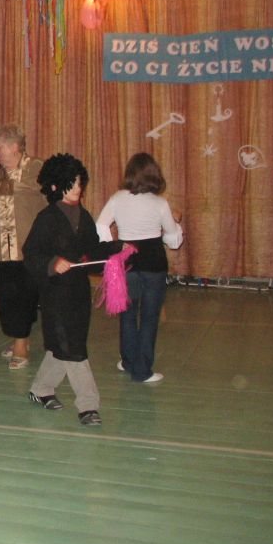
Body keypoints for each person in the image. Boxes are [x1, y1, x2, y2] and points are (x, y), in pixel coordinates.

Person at [24, 154, 122, 427]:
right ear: (56, 186)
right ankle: (88, 406)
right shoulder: (46, 219)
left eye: (80, 182)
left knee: (64, 345)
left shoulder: (84, 217)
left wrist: (118, 249)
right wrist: (53, 263)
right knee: (73, 348)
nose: (79, 188)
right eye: (73, 183)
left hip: (79, 293)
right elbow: (31, 254)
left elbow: (93, 252)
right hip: (55, 294)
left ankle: (41, 389)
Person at [96, 152, 183, 384]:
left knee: (127, 315)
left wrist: (113, 247)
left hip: (127, 263)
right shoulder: (160, 203)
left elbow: (101, 225)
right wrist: (177, 222)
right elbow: (173, 240)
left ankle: (128, 361)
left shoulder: (117, 198)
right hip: (154, 264)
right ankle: (143, 370)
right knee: (149, 317)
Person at [0, 124, 47, 370]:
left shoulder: (36, 169)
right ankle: (18, 337)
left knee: (25, 294)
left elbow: (50, 201)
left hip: (27, 245)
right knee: (6, 296)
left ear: (15, 147)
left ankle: (21, 343)